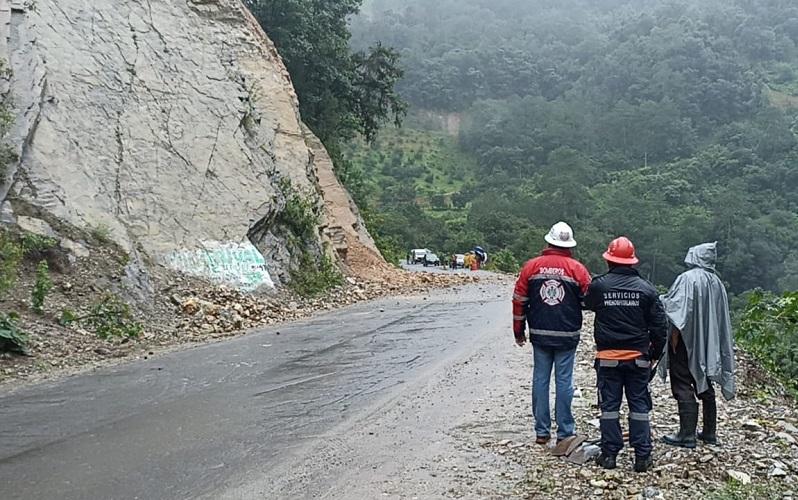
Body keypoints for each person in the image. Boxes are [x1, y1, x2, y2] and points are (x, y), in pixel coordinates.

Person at [585, 236, 667, 472]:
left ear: (609, 260)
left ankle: (609, 456)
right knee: (639, 407)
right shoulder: (647, 289)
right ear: (632, 262)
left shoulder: (599, 286)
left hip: (608, 358)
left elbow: (587, 303)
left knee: (609, 407)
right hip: (638, 358)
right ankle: (642, 457)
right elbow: (660, 327)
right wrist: (654, 354)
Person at [512, 222, 591, 445]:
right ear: (569, 245)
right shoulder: (578, 269)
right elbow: (589, 299)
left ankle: (542, 431)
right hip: (567, 335)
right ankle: (565, 432)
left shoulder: (531, 266)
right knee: (564, 381)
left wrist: (519, 331)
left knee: (540, 379)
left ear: (548, 241)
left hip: (540, 333)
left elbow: (519, 301)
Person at [658, 242, 736, 448]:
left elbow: (676, 312)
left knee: (682, 380)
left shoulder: (687, 279)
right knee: (703, 378)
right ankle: (709, 432)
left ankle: (687, 434)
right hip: (707, 340)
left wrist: (673, 338)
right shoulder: (717, 282)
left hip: (685, 339)